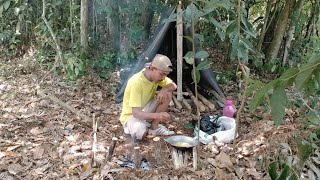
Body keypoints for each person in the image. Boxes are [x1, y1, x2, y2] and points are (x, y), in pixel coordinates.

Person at [119, 54, 177, 141]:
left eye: (166, 75)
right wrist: (157, 116)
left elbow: (174, 86)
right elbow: (136, 113)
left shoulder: (156, 77)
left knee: (167, 93)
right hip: (131, 117)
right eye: (162, 74)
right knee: (139, 130)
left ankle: (154, 127)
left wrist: (164, 89)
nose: (163, 77)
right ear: (151, 68)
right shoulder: (137, 82)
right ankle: (144, 127)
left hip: (145, 110)